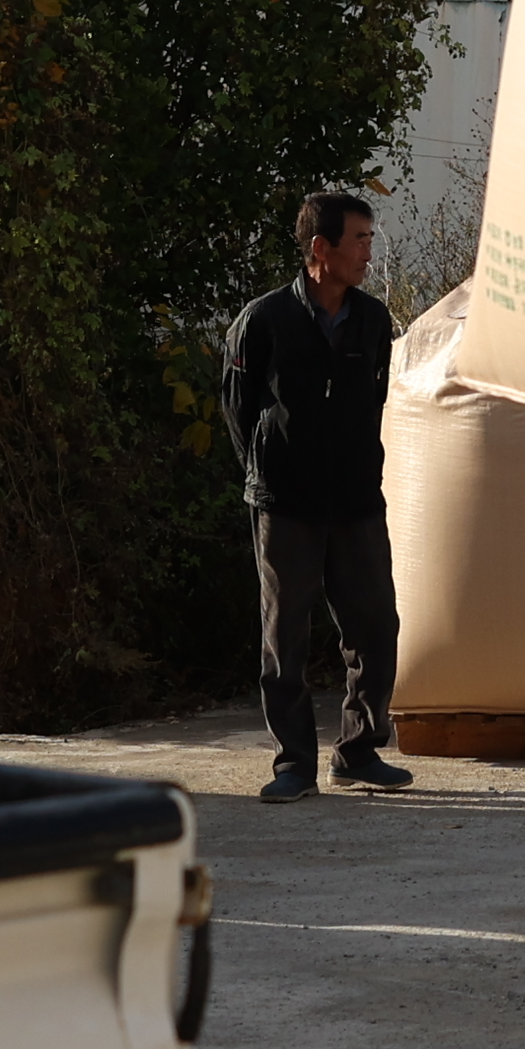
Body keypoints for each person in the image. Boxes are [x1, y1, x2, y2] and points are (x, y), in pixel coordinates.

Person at [220, 191, 410, 803]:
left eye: (370, 240)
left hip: (357, 501)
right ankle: (294, 763)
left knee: (377, 628)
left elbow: (373, 405)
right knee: (287, 639)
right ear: (318, 249)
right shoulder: (265, 319)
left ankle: (357, 751)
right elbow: (238, 409)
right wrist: (266, 474)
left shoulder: (374, 321)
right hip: (286, 504)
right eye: (359, 240)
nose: (368, 253)